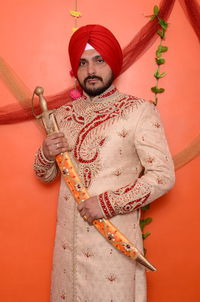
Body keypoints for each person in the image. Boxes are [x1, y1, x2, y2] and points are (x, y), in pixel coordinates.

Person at [34, 24, 175, 302]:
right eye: (83, 63)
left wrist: (107, 202)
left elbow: (162, 176)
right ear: (75, 69)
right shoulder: (62, 114)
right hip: (67, 250)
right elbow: (44, 176)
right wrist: (45, 154)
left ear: (113, 63)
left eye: (99, 60)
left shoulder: (138, 111)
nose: (91, 70)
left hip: (112, 244)